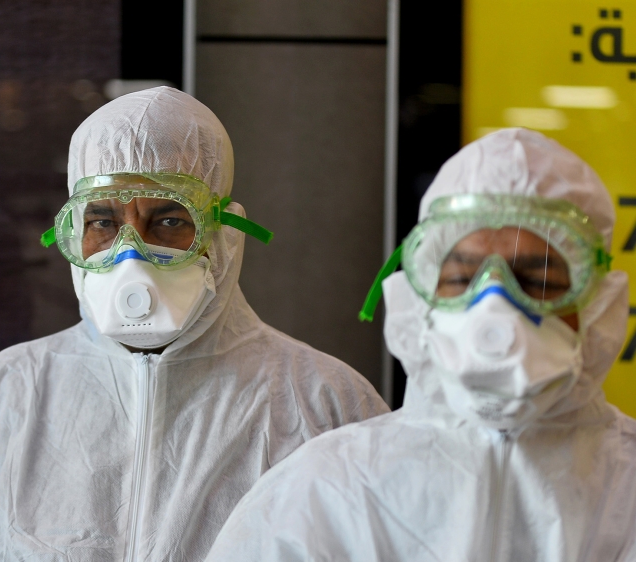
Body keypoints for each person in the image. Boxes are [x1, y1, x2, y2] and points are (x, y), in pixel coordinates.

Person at [0, 86, 388, 561]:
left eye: (170, 219)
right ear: (72, 235)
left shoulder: (323, 405)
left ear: (223, 234)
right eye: (103, 222)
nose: (128, 255)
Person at [204, 128, 636, 561]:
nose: (495, 309)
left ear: (597, 304)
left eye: (536, 280)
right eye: (463, 279)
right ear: (420, 298)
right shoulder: (326, 493)